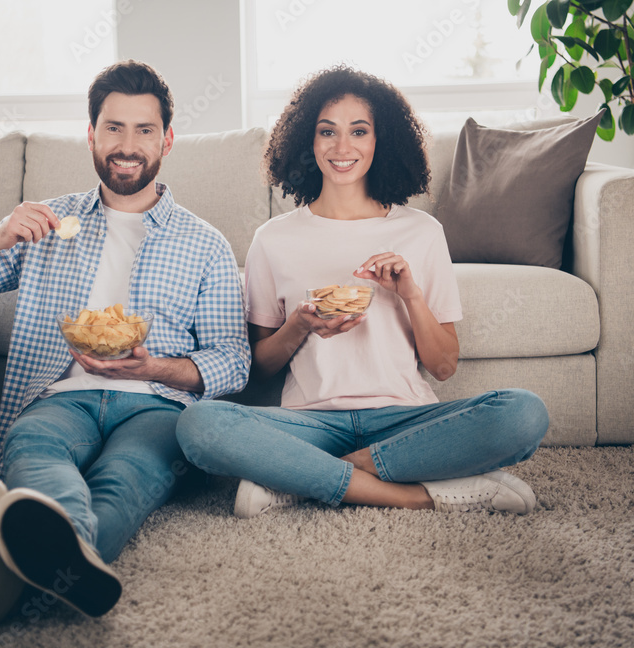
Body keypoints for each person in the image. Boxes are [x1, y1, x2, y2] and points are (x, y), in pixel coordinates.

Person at [0, 60, 250, 631]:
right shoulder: (45, 223)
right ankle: (67, 559)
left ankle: (14, 569)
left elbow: (233, 360)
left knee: (126, 477)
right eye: (112, 128)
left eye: (144, 130)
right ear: (90, 134)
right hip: (57, 396)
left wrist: (158, 368)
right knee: (34, 451)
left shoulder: (205, 243)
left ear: (167, 139)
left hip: (156, 404)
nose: (126, 145)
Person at [176, 65, 548, 520]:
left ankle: (304, 480)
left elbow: (444, 367)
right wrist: (300, 325)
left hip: (403, 418)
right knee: (199, 425)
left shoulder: (421, 232)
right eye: (327, 132)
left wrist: (410, 294)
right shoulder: (273, 238)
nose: (342, 147)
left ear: (381, 140)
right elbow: (258, 372)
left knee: (524, 413)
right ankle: (419, 494)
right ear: (308, 143)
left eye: (359, 131)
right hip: (311, 421)